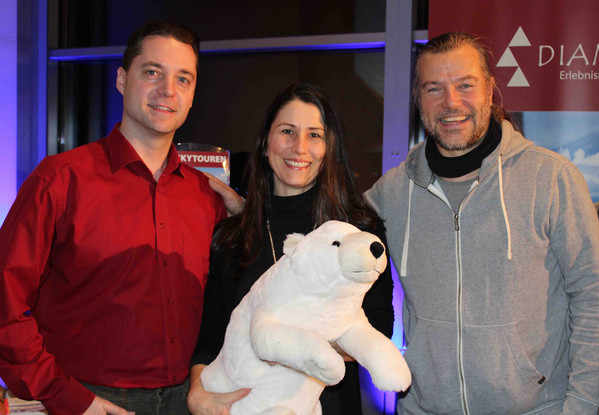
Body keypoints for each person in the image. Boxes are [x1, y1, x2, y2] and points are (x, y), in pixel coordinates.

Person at [364, 32, 599, 414]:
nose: (451, 103)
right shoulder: (394, 192)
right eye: (434, 89)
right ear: (418, 100)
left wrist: (580, 405)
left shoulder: (551, 177)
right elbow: (324, 236)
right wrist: (250, 214)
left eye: (465, 85)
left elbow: (593, 297)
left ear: (490, 90)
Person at [0, 21, 230, 415]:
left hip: (188, 400)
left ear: (192, 96)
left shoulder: (207, 197)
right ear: (122, 79)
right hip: (88, 401)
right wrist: (66, 396)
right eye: (152, 72)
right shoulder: (60, 180)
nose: (167, 91)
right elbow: (5, 302)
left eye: (183, 79)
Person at [187, 83, 395, 415]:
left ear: (329, 148)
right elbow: (212, 335)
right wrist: (197, 393)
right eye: (287, 131)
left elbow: (379, 328)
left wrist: (293, 348)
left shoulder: (358, 232)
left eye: (314, 135)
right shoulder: (232, 237)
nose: (299, 147)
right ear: (265, 144)